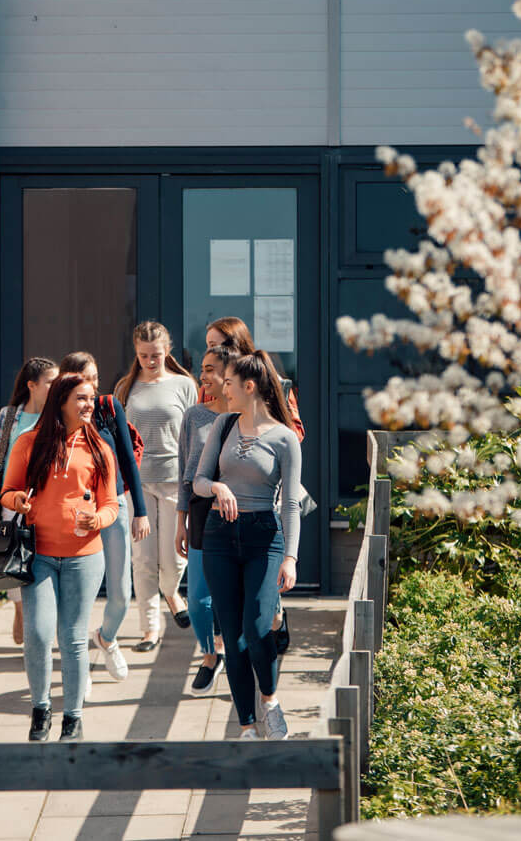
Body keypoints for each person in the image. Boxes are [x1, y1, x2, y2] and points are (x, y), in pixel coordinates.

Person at [1, 374, 119, 743]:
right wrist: (17, 500)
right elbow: (7, 491)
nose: (89, 405)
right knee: (37, 633)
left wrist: (98, 518)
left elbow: (111, 504)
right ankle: (41, 709)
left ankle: (73, 718)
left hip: (85, 557)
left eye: (91, 398)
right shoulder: (29, 442)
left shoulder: (100, 448)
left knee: (72, 637)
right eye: (81, 398)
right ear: (62, 401)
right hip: (40, 555)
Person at [193, 351, 301, 740]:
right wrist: (217, 486)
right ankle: (246, 726)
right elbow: (199, 480)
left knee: (257, 628)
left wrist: (290, 557)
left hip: (263, 538)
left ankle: (269, 701)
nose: (223, 390)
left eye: (228, 384)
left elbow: (290, 503)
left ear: (249, 386)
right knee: (232, 637)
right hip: (219, 535)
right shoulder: (222, 425)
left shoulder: (286, 438)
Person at [204, 317, 301, 653]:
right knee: (227, 595)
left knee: (262, 595)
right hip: (224, 499)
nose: (212, 351)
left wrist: (263, 441)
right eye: (208, 345)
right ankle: (224, 650)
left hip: (267, 497)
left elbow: (293, 430)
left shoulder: (264, 380)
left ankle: (272, 619)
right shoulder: (212, 382)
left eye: (219, 344)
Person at [57, 351, 147, 681]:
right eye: (85, 379)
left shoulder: (109, 408)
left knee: (122, 594)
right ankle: (78, 674)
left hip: (115, 508)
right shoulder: (57, 419)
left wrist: (141, 511)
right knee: (77, 595)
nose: (94, 385)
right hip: (75, 513)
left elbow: (128, 460)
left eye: (96, 377)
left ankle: (106, 638)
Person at [115, 321, 198, 652]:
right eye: (144, 355)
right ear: (136, 353)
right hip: (139, 482)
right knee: (144, 558)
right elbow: (119, 434)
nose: (150, 361)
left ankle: (171, 592)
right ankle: (149, 630)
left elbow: (195, 432)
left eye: (156, 355)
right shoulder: (127, 386)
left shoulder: (184, 385)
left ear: (168, 351)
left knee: (175, 557)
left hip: (176, 481)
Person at [0, 357, 59, 643]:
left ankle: (43, 617)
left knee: (45, 560)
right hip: (12, 500)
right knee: (14, 557)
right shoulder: (10, 416)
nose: (55, 386)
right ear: (32, 385)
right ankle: (20, 607)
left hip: (49, 501)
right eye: (50, 381)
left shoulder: (59, 415)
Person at [174, 344, 239, 694]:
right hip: (201, 513)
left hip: (243, 512)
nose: (203, 375)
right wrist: (180, 522)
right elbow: (185, 472)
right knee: (198, 600)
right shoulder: (195, 415)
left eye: (210, 369)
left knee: (236, 594)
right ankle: (211, 653)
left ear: (230, 375)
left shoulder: (251, 418)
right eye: (202, 368)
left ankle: (231, 653)